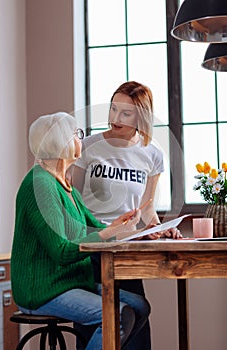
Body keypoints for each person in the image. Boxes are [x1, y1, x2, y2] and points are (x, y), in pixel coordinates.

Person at [10, 112, 152, 350]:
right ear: (61, 142)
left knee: (139, 306)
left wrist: (127, 227)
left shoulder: (67, 188)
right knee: (118, 315)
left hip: (71, 282)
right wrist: (109, 233)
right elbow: (62, 251)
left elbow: (96, 229)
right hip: (45, 289)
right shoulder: (40, 185)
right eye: (76, 134)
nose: (80, 139)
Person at [68, 81, 182, 350]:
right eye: (113, 109)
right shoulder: (88, 146)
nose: (114, 118)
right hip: (92, 247)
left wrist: (160, 228)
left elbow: (147, 209)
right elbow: (72, 199)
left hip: (127, 250)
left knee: (134, 325)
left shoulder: (152, 153)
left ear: (141, 116)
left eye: (125, 113)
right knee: (94, 323)